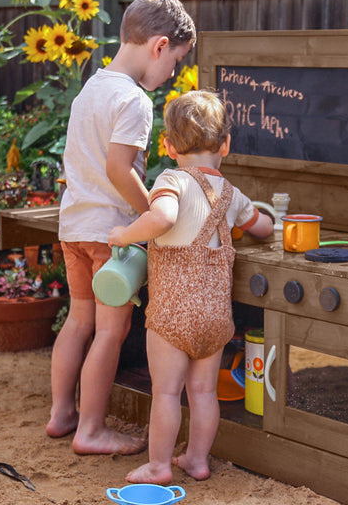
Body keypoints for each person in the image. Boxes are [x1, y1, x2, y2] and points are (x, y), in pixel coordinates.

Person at [46, 0, 197, 456]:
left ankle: (62, 414)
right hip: (110, 235)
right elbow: (119, 169)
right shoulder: (134, 100)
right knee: (111, 331)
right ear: (158, 45)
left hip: (74, 228)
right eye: (175, 60)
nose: (171, 71)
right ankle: (91, 430)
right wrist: (152, 209)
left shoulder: (92, 87)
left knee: (78, 323)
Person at [108, 91, 274, 484]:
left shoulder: (171, 180)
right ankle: (197, 460)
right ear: (226, 145)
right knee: (203, 394)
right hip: (216, 318)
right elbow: (264, 228)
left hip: (171, 317)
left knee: (166, 393)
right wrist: (265, 220)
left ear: (167, 146)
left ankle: (160, 465)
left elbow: (162, 217)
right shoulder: (232, 195)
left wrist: (124, 235)